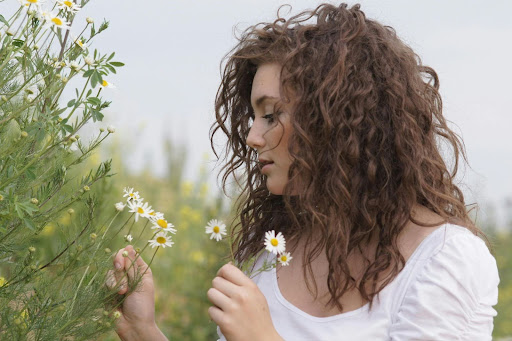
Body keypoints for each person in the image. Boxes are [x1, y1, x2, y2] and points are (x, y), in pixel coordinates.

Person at [107, 3, 500, 340]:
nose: (252, 137)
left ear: (337, 122)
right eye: (253, 116)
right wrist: (146, 332)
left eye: (272, 115)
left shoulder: (444, 258)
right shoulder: (273, 253)